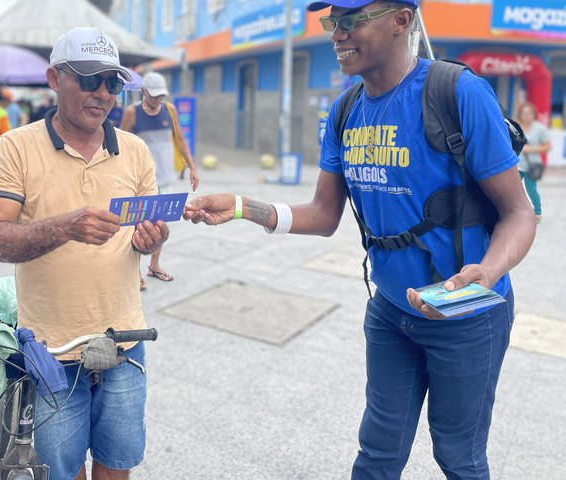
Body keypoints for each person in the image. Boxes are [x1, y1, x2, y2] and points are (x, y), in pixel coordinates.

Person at [184, 1, 536, 478]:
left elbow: (519, 213)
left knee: (459, 455)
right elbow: (324, 214)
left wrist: (485, 275)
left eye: (352, 19)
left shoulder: (457, 93)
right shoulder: (346, 110)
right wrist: (245, 207)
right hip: (391, 313)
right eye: (332, 21)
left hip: (467, 315)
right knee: (377, 453)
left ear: (401, 19)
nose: (337, 33)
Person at [0, 27, 168, 480]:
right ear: (54, 78)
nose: (103, 93)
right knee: (62, 468)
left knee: (117, 461)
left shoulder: (137, 151)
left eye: (113, 83)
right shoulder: (16, 146)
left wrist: (153, 241)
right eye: (89, 79)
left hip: (125, 340)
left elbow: (153, 236)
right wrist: (66, 226)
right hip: (51, 348)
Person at [121, 72, 199, 288]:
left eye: (160, 96)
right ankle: (134, 272)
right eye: (153, 96)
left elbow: (180, 139)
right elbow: (122, 142)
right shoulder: (132, 112)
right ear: (143, 92)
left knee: (160, 226)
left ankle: (154, 265)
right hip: (140, 178)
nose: (157, 100)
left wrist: (192, 167)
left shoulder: (170, 110)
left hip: (165, 176)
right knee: (136, 226)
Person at [516, 101, 551, 224]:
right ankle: (514, 212)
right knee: (514, 188)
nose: (526, 116)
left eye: (529, 113)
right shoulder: (516, 127)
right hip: (516, 164)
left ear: (533, 114)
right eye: (524, 113)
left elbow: (547, 146)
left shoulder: (539, 128)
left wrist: (530, 149)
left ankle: (537, 211)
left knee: (531, 189)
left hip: (532, 165)